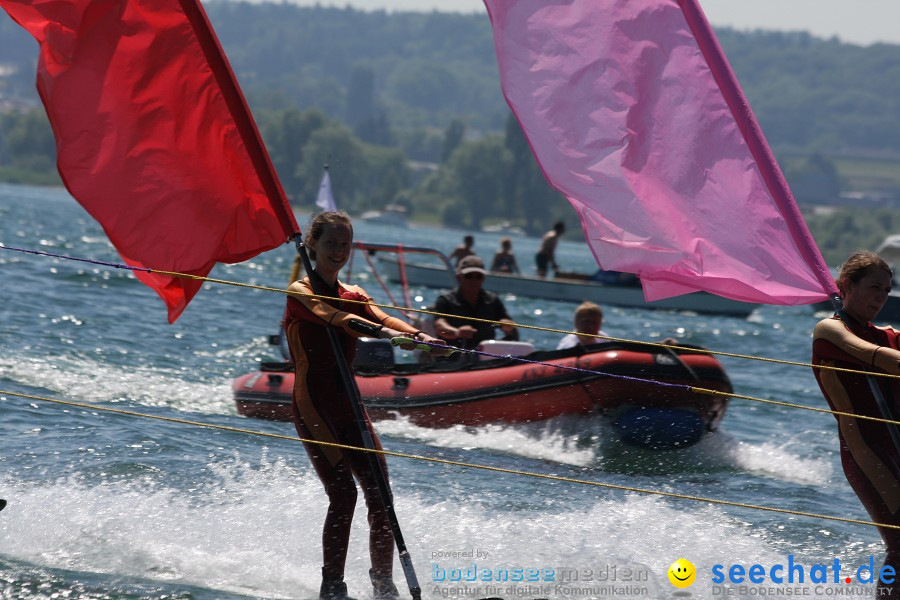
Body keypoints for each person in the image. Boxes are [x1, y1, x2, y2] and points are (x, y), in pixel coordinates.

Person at [284, 211, 448, 600]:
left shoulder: (355, 293)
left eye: (345, 244)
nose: (339, 251)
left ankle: (383, 584)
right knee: (344, 494)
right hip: (314, 406)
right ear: (313, 244)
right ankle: (332, 586)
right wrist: (385, 336)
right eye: (330, 244)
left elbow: (381, 314)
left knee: (381, 496)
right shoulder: (300, 291)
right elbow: (335, 318)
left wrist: (418, 335)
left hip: (349, 405)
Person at [812, 250, 900, 598]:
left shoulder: (889, 334)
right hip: (867, 452)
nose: (882, 296)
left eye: (888, 289)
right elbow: (879, 357)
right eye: (875, 287)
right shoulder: (830, 330)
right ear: (847, 286)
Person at [433, 255, 519, 354]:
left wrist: (508, 327)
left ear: (483, 279)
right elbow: (440, 327)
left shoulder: (493, 301)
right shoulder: (446, 300)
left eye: (478, 276)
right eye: (469, 276)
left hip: (485, 359)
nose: (474, 281)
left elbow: (509, 326)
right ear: (459, 277)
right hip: (452, 358)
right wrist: (457, 332)